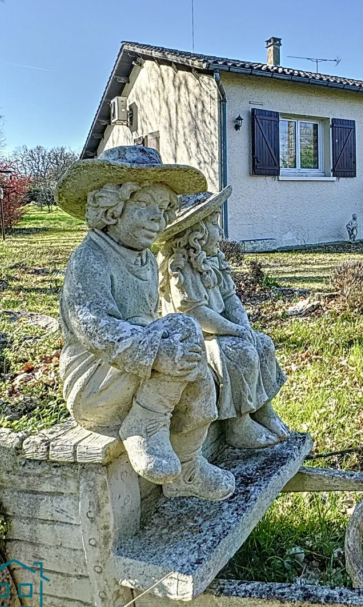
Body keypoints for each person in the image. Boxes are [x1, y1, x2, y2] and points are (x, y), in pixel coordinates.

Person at [55, 145, 234, 501]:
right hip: (96, 381)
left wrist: (169, 353)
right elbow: (93, 326)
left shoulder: (146, 260)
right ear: (110, 208)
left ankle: (187, 468)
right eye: (144, 206)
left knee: (191, 354)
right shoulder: (90, 258)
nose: (157, 219)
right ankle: (145, 425)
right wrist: (157, 352)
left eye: (163, 209)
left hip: (139, 371)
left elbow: (150, 320)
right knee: (182, 332)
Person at [158, 188, 290, 449]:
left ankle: (263, 409)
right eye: (215, 226)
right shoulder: (179, 266)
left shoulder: (213, 259)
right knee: (239, 353)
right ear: (197, 233)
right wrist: (233, 331)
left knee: (262, 344)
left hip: (220, 329)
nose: (220, 233)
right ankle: (238, 425)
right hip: (193, 337)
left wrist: (243, 326)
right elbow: (196, 314)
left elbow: (230, 299)